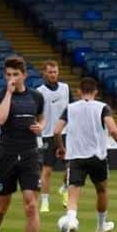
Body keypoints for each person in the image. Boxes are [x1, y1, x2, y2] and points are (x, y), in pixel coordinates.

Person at [52, 76, 117, 232]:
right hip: (97, 157)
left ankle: (72, 220)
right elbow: (113, 130)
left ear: (79, 91)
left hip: (76, 157)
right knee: (101, 190)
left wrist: (60, 148)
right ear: (96, 91)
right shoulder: (103, 107)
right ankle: (101, 225)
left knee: (73, 192)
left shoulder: (70, 108)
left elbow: (56, 130)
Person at [0, 55, 45, 232]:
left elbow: (41, 117)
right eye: (8, 75)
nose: (12, 78)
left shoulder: (36, 97)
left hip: (30, 155)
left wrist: (40, 126)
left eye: (16, 75)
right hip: (7, 156)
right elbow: (0, 119)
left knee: (31, 204)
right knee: (1, 208)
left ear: (24, 75)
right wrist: (9, 93)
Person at [35, 60, 70, 214]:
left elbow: (72, 108)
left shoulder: (65, 88)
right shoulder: (39, 92)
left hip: (66, 133)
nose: (53, 74)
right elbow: (36, 114)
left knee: (71, 168)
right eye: (50, 72)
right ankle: (44, 201)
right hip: (48, 134)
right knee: (47, 170)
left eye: (55, 72)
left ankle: (65, 191)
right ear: (44, 73)